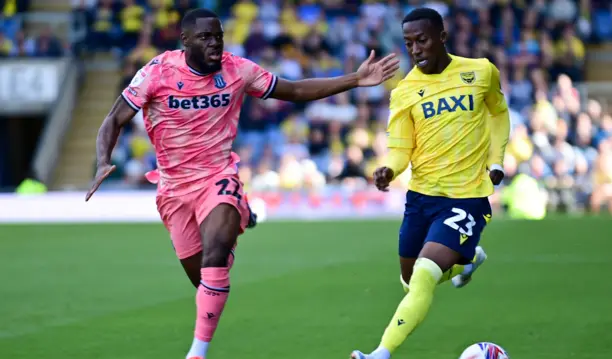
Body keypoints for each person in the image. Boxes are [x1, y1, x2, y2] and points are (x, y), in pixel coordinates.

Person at [84, 8, 399, 359]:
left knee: (216, 254)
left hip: (217, 175)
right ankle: (237, 217)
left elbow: (293, 90)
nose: (215, 42)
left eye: (218, 35)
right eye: (205, 37)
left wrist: (354, 80)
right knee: (204, 277)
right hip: (173, 189)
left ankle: (197, 352)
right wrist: (102, 161)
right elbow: (114, 118)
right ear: (185, 41)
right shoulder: (157, 72)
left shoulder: (238, 69)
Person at [351, 8, 510, 359]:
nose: (415, 49)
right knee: (410, 281)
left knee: (423, 276)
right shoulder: (405, 91)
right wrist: (388, 170)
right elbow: (400, 149)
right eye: (408, 43)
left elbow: (498, 112)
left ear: (442, 36)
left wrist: (496, 159)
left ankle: (380, 353)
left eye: (421, 40)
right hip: (422, 197)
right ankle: (466, 260)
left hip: (467, 197)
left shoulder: (480, 71)